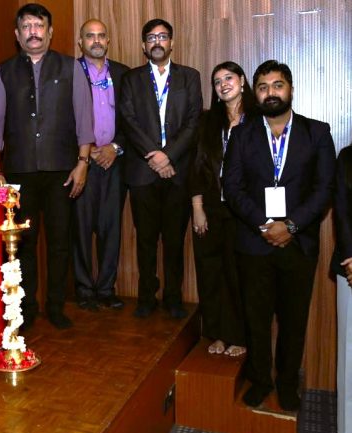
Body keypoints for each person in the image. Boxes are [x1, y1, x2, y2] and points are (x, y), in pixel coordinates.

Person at [223, 60, 336, 411]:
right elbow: (232, 187)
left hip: (298, 244)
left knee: (293, 320)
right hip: (253, 241)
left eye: (277, 85)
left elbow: (324, 189)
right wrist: (263, 225)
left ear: (290, 89)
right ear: (255, 94)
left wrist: (290, 226)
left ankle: (287, 384)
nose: (270, 92)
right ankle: (260, 380)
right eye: (262, 87)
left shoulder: (317, 132)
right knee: (255, 319)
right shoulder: (242, 134)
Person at [0, 3, 94, 330]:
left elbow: (84, 120)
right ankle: (27, 307)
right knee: (24, 243)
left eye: (39, 25)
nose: (33, 32)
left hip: (63, 171)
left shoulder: (71, 68)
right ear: (17, 35)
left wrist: (83, 163)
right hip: (19, 173)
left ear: (50, 32)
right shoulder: (2, 72)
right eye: (27, 26)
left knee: (60, 242)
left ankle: (56, 306)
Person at [119, 18, 202, 319]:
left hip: (177, 173)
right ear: (144, 45)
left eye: (163, 36)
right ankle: (146, 297)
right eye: (151, 37)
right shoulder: (131, 79)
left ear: (172, 43)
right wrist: (155, 157)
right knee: (145, 240)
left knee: (174, 241)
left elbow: (193, 122)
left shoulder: (190, 77)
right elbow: (128, 121)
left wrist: (168, 156)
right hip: (143, 173)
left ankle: (173, 298)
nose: (157, 42)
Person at [189, 61, 255, 357]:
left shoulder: (257, 119)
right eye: (217, 81)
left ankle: (239, 336)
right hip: (212, 208)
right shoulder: (207, 122)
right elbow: (196, 166)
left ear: (242, 81)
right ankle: (216, 333)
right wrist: (197, 207)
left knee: (238, 274)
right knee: (210, 272)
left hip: (245, 211)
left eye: (229, 78)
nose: (223, 84)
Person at [72, 19, 129, 311]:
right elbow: (61, 118)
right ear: (80, 42)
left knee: (111, 228)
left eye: (101, 35)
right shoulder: (69, 72)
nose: (96, 40)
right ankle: (84, 289)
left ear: (108, 41)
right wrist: (86, 150)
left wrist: (115, 147)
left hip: (114, 161)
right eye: (90, 36)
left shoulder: (123, 74)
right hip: (81, 163)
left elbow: (133, 119)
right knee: (81, 229)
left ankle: (106, 288)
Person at [331, 145, 352, 433]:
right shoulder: (347, 158)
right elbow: (342, 212)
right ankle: (350, 430)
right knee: (350, 351)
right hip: (350, 266)